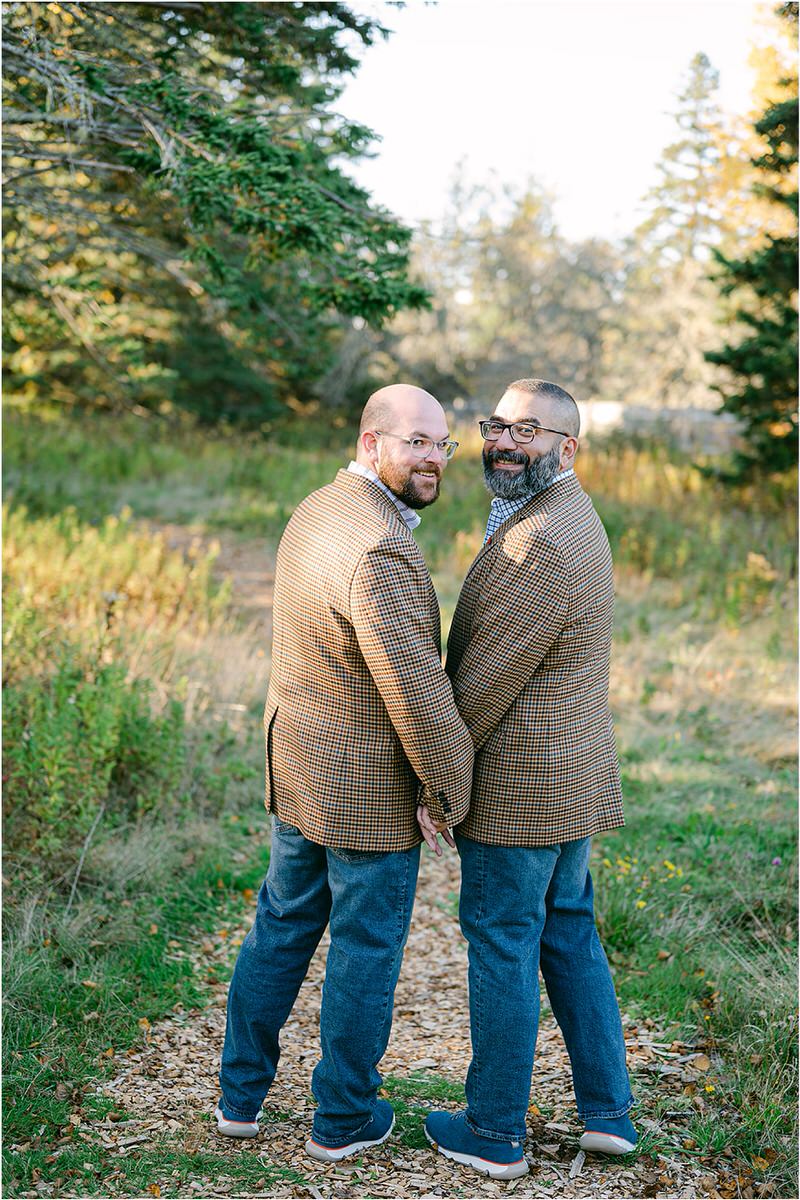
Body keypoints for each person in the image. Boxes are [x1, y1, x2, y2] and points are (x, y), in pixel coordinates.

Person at [216, 384, 474, 1163]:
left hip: (298, 764)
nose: (432, 458)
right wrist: (445, 789)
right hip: (361, 789)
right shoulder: (380, 543)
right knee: (364, 947)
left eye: (441, 443)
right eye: (414, 442)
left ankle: (239, 1097)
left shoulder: (316, 508)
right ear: (372, 444)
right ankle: (343, 1118)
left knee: (282, 925)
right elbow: (416, 690)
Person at [419, 378, 637, 1181]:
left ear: (568, 448)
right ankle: (609, 1113)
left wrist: (437, 782)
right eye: (500, 426)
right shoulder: (562, 514)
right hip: (569, 773)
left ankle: (495, 1131)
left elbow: (481, 685)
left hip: (522, 786)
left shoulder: (538, 540)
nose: (507, 443)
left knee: (504, 944)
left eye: (531, 432)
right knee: (566, 932)